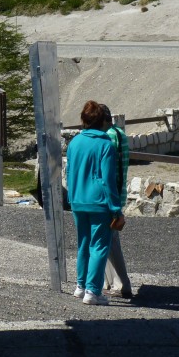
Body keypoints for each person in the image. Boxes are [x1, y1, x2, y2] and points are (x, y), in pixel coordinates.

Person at [66, 100, 124, 306]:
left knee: (83, 244)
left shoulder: (74, 143)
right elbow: (108, 180)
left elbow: (69, 173)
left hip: (77, 201)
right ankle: (93, 291)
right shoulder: (105, 145)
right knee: (99, 246)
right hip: (99, 202)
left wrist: (71, 198)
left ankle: (80, 287)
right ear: (102, 121)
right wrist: (116, 208)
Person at [100, 105, 133, 300]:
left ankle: (121, 284)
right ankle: (113, 283)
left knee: (110, 243)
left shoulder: (110, 137)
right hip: (117, 195)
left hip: (109, 197)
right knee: (109, 241)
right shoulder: (120, 133)